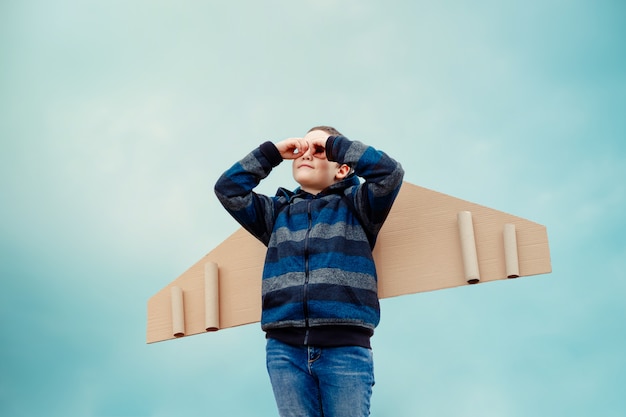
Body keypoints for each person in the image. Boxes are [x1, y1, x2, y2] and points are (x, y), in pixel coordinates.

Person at [214, 126, 404, 416]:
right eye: (303, 150)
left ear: (341, 170)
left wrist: (334, 145)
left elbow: (390, 174)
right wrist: (273, 154)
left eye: (319, 151)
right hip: (284, 350)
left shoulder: (358, 206)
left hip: (345, 349)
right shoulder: (276, 214)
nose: (307, 155)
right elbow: (228, 189)